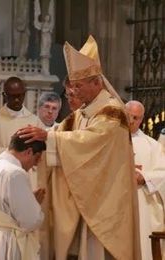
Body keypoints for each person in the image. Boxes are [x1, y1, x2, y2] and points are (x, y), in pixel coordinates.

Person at [18, 36, 141, 260]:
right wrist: (41, 139)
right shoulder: (83, 112)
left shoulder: (112, 111)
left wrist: (49, 137)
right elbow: (60, 135)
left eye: (79, 85)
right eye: (72, 86)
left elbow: (92, 142)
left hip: (105, 202)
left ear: (97, 83)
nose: (75, 91)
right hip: (87, 201)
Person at [0, 76, 44, 188]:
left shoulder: (34, 122)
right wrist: (13, 155)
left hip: (28, 180)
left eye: (20, 96)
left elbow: (42, 154)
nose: (17, 100)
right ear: (5, 96)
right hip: (1, 179)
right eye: (13, 97)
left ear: (24, 94)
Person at [125, 100, 165, 260]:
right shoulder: (108, 142)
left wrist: (144, 177)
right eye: (129, 116)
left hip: (142, 202)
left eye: (136, 118)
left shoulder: (152, 146)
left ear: (142, 120)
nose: (132, 121)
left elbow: (162, 172)